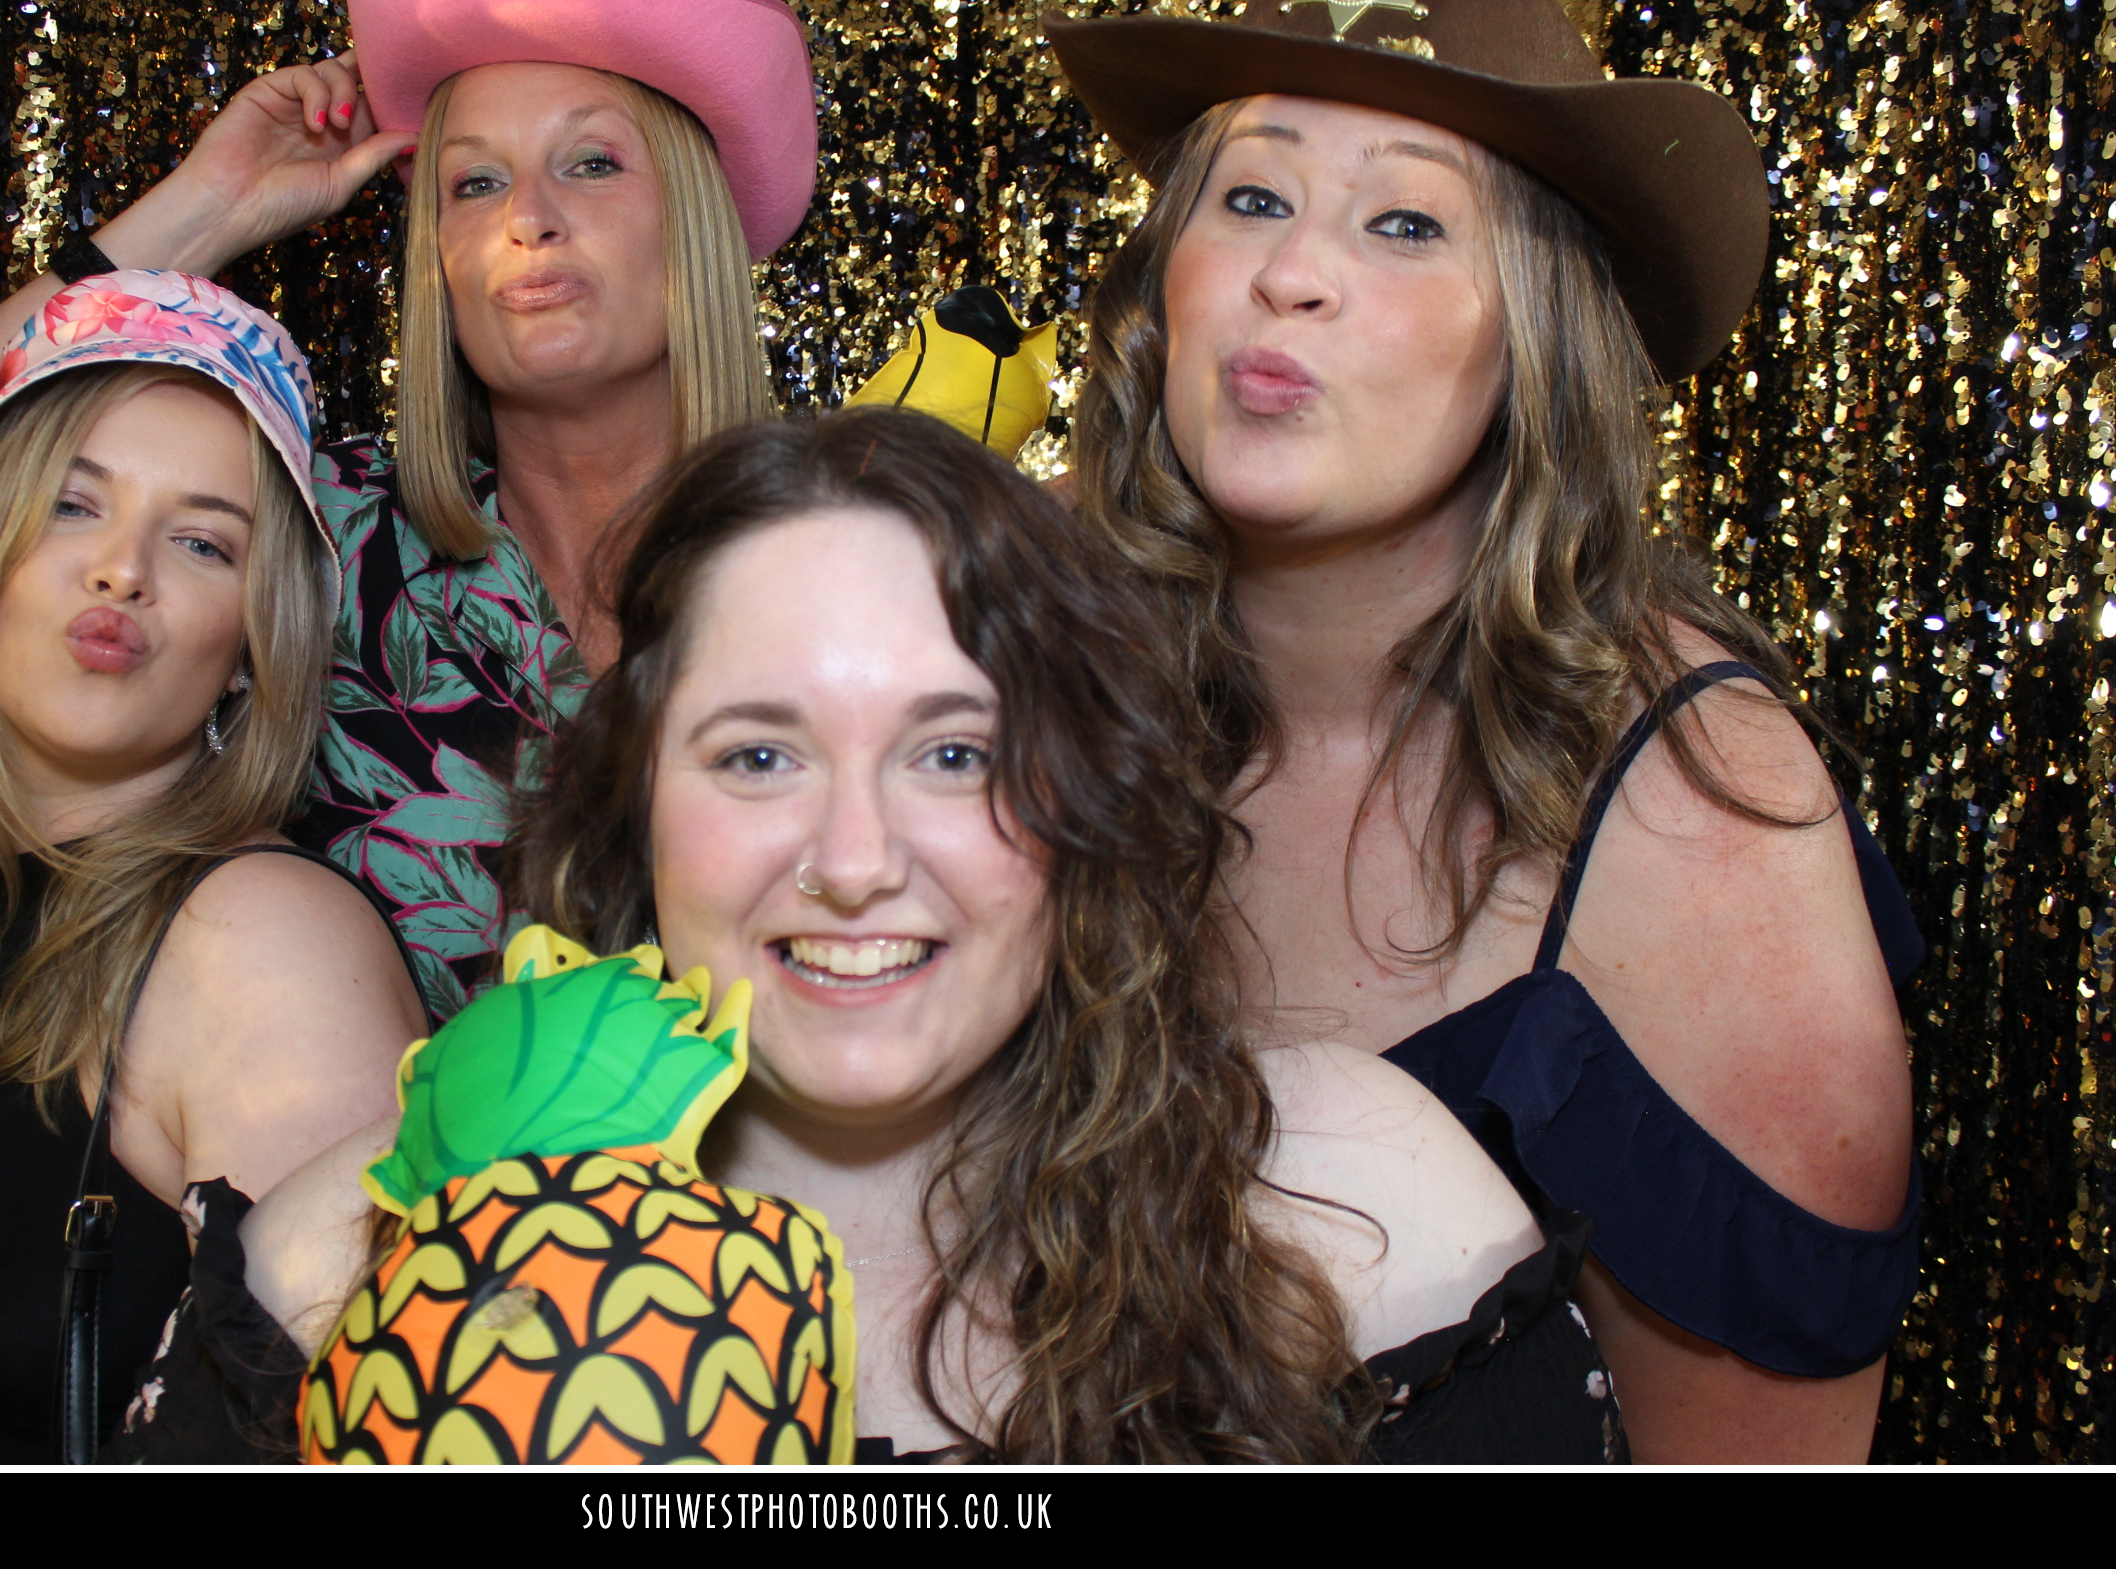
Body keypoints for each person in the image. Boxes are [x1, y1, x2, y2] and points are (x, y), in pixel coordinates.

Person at [249, 409, 1623, 1463]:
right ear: (636, 799)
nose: (855, 864)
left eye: (956, 755)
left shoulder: (1374, 1226)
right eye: (758, 757)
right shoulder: (343, 1267)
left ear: (1087, 801)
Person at [1046, 0, 1921, 1460]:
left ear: (1532, 341)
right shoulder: (1024, 671)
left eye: (1404, 222)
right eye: (1252, 196)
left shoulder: (1702, 816)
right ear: (1163, 282)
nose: (1291, 274)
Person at [0, 0, 817, 1018]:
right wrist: (210, 209)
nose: (530, 219)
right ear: (437, 260)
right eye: (473, 184)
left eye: (591, 163)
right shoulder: (329, 538)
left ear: (694, 217)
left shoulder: (851, 557)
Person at [0, 273, 427, 1462]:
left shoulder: (260, 945)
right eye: (70, 506)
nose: (124, 570)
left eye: (201, 542)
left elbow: (349, 1432)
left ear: (250, 647)